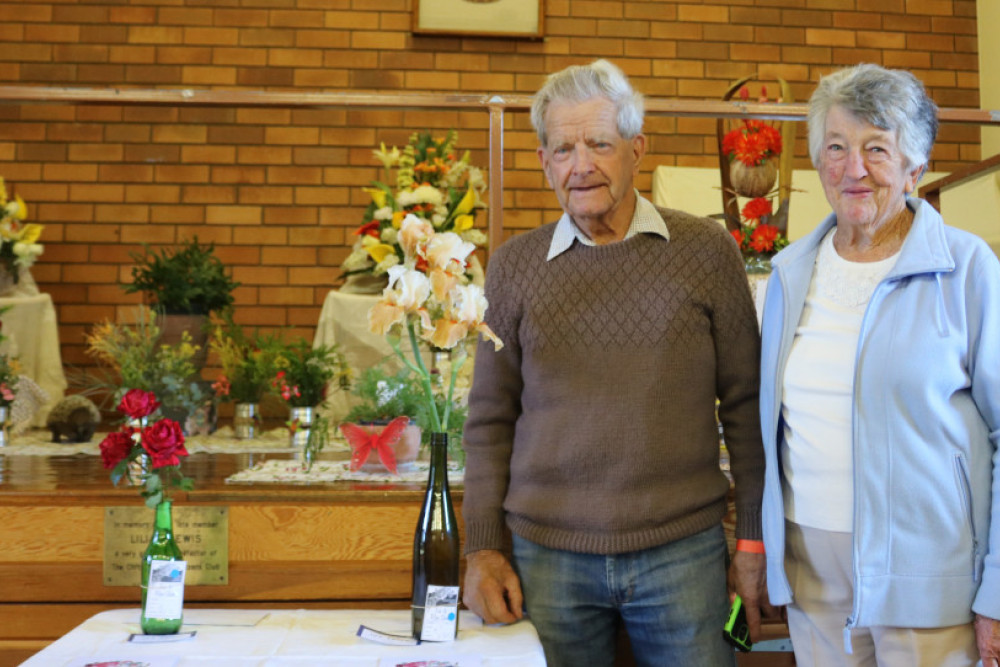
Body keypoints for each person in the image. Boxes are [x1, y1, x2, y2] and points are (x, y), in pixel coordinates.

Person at [461, 58, 768, 667]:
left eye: (599, 143)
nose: (581, 165)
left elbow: (747, 405)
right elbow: (489, 420)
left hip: (683, 553)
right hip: (545, 560)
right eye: (562, 148)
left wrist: (753, 538)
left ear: (636, 149)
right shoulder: (514, 267)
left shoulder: (706, 252)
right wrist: (483, 550)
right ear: (546, 162)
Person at [759, 62, 1000, 666]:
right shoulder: (790, 272)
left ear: (915, 167)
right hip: (813, 578)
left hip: (930, 582)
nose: (854, 169)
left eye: (876, 149)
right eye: (836, 148)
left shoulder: (968, 269)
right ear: (818, 163)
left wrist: (997, 589)